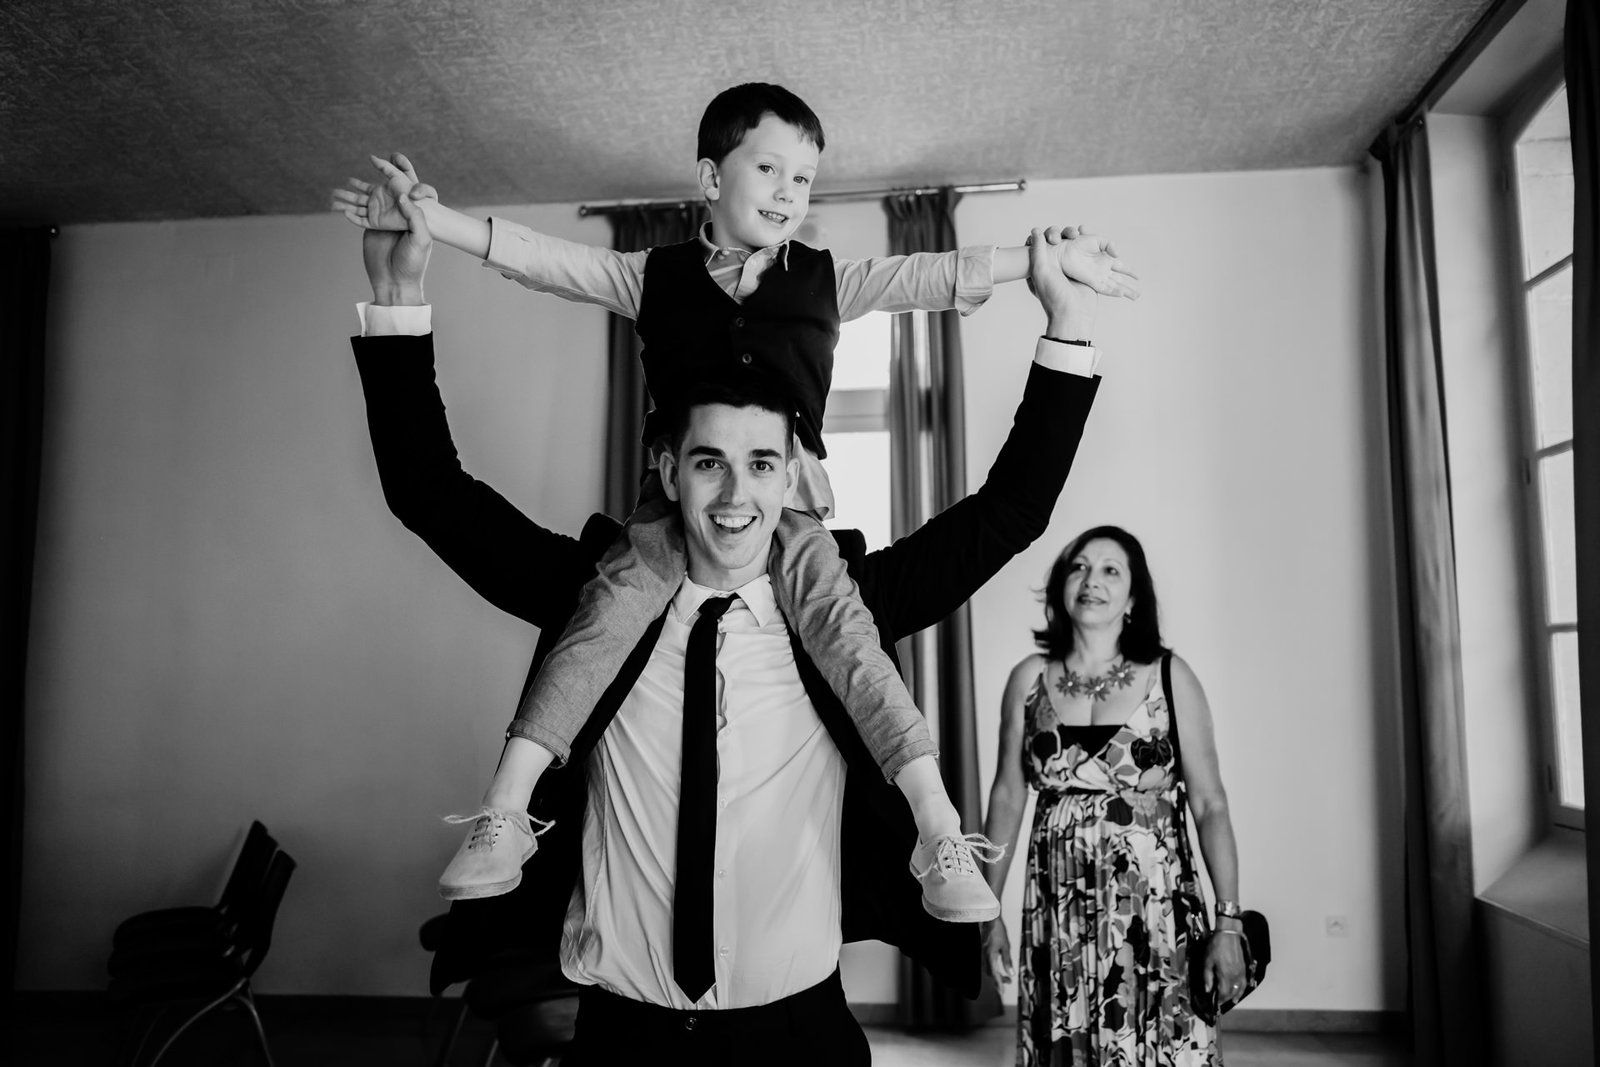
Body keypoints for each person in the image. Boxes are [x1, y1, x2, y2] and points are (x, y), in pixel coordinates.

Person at [332, 81, 1141, 914]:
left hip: (804, 957)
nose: (790, 192)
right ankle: (506, 806)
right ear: (712, 179)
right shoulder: (650, 285)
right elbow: (543, 264)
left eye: (805, 178)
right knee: (606, 616)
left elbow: (932, 285)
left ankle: (937, 826)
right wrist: (426, 236)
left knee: (852, 643)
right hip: (606, 953)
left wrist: (1047, 277)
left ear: (787, 467)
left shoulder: (827, 286)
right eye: (770, 169)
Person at [980, 526, 1247, 1065]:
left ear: (1133, 598)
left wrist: (1228, 923)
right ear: (1061, 586)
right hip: (1060, 907)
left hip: (1155, 910)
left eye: (1110, 570)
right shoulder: (1028, 679)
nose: (1091, 580)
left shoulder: (1170, 677)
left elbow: (1211, 804)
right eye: (1078, 567)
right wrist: (987, 912)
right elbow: (1008, 795)